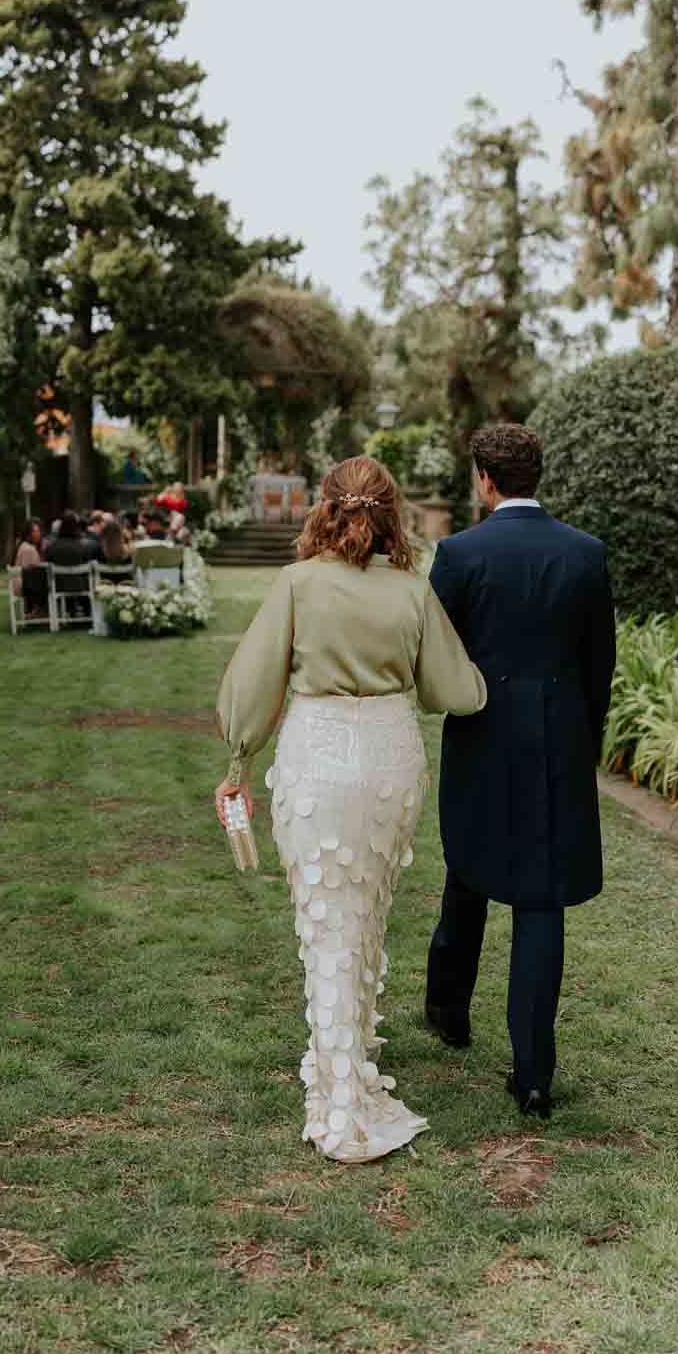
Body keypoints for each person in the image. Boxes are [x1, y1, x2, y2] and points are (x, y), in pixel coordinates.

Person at [215, 456, 486, 1164]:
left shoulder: (298, 582)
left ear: (325, 508)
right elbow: (452, 690)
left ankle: (341, 1093)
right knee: (365, 911)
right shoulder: (411, 588)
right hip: (391, 759)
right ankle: (350, 1054)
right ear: (391, 512)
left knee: (326, 921)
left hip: (319, 755)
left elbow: (253, 684)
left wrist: (239, 760)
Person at [423, 424, 616, 1119]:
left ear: (484, 478)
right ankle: (533, 1075)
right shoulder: (585, 554)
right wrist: (583, 737)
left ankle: (448, 1012)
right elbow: (599, 664)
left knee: (468, 867)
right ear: (537, 475)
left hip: (481, 734)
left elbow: (434, 656)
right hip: (558, 739)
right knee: (541, 899)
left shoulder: (459, 554)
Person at [13, 518, 48, 618]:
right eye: (36, 531)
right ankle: (38, 611)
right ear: (28, 534)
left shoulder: (23, 545)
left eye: (39, 531)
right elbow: (35, 572)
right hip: (24, 586)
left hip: (24, 583)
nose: (39, 534)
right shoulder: (29, 549)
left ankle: (37, 611)